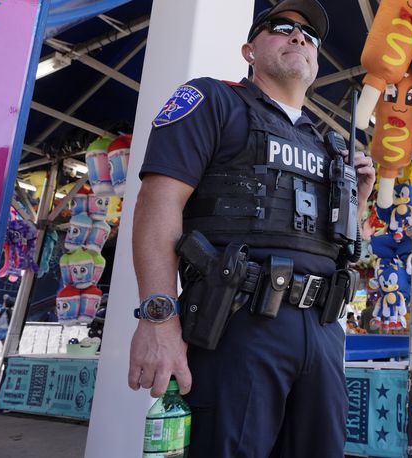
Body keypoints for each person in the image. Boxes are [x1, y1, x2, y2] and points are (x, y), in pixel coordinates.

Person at [127, 1, 376, 456]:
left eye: (309, 35)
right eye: (282, 28)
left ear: (317, 60)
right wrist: (158, 318)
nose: (299, 37)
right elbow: (157, 204)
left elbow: (339, 248)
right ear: (249, 50)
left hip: (322, 331)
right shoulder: (212, 100)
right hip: (238, 324)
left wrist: (355, 199)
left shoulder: (330, 145)